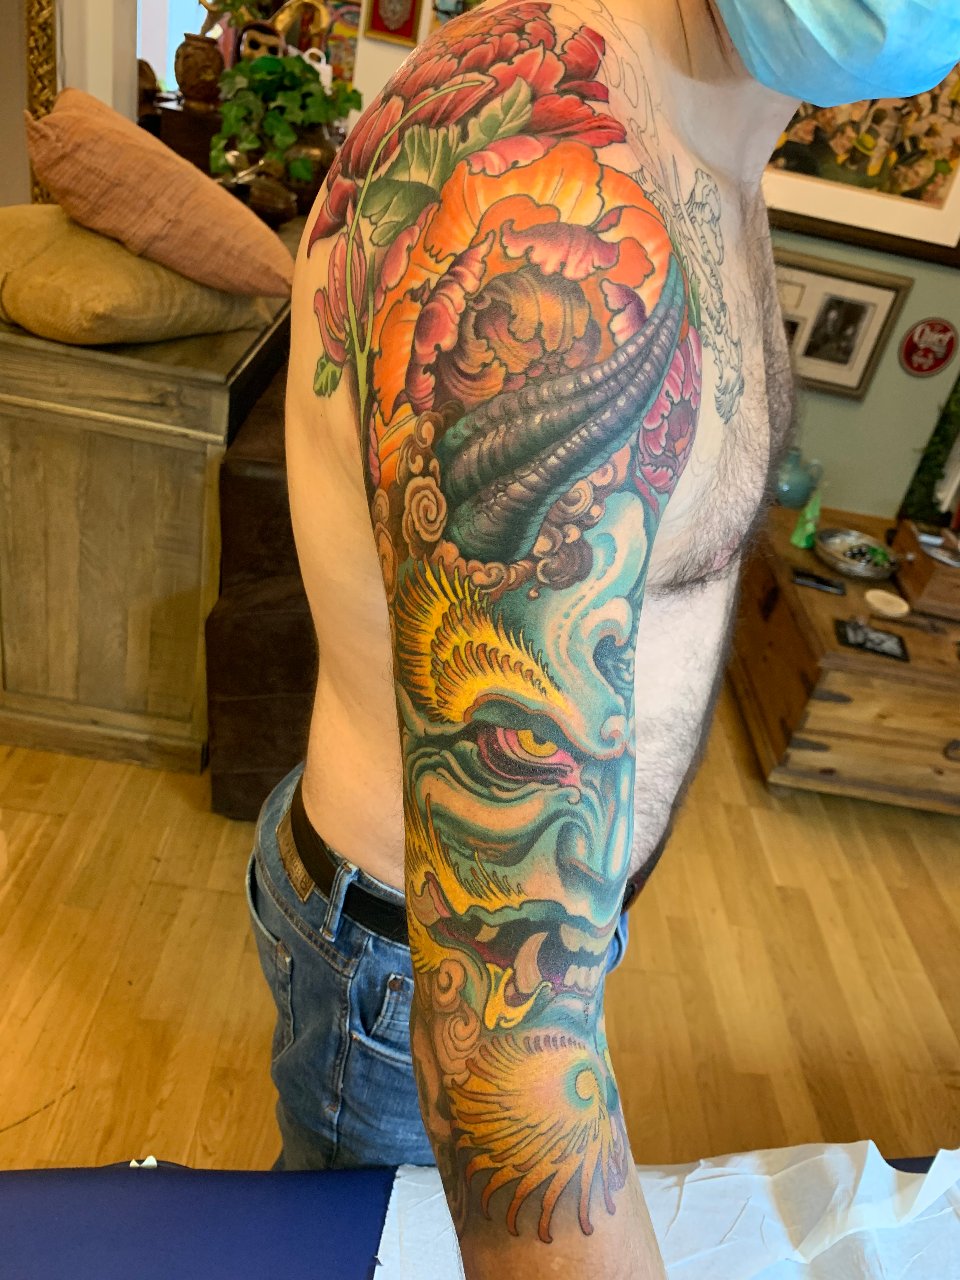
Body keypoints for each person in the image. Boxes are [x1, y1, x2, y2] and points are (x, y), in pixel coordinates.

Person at [248, 2, 960, 1276]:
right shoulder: (539, 195)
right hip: (431, 967)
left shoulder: (707, 116)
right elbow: (506, 1052)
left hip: (508, 933)